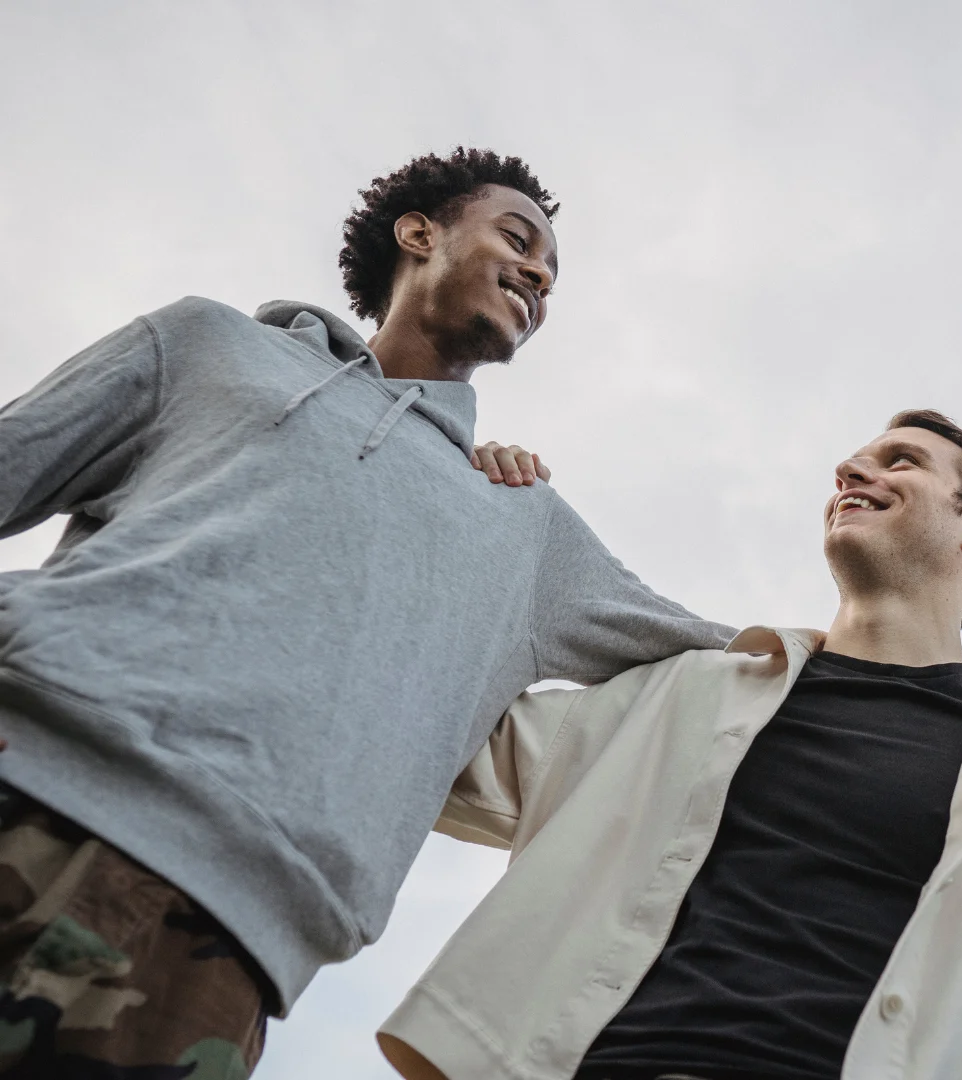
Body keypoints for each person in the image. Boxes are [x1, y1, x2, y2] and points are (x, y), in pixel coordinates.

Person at [0, 148, 736, 1076]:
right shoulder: (203, 344)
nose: (541, 274)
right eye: (518, 238)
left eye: (551, 275)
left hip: (221, 940)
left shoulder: (526, 524)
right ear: (419, 233)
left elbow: (730, 659)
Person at [380, 409, 962, 1080]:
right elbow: (410, 726)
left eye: (902, 461)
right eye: (855, 462)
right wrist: (474, 519)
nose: (850, 470)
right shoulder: (681, 694)